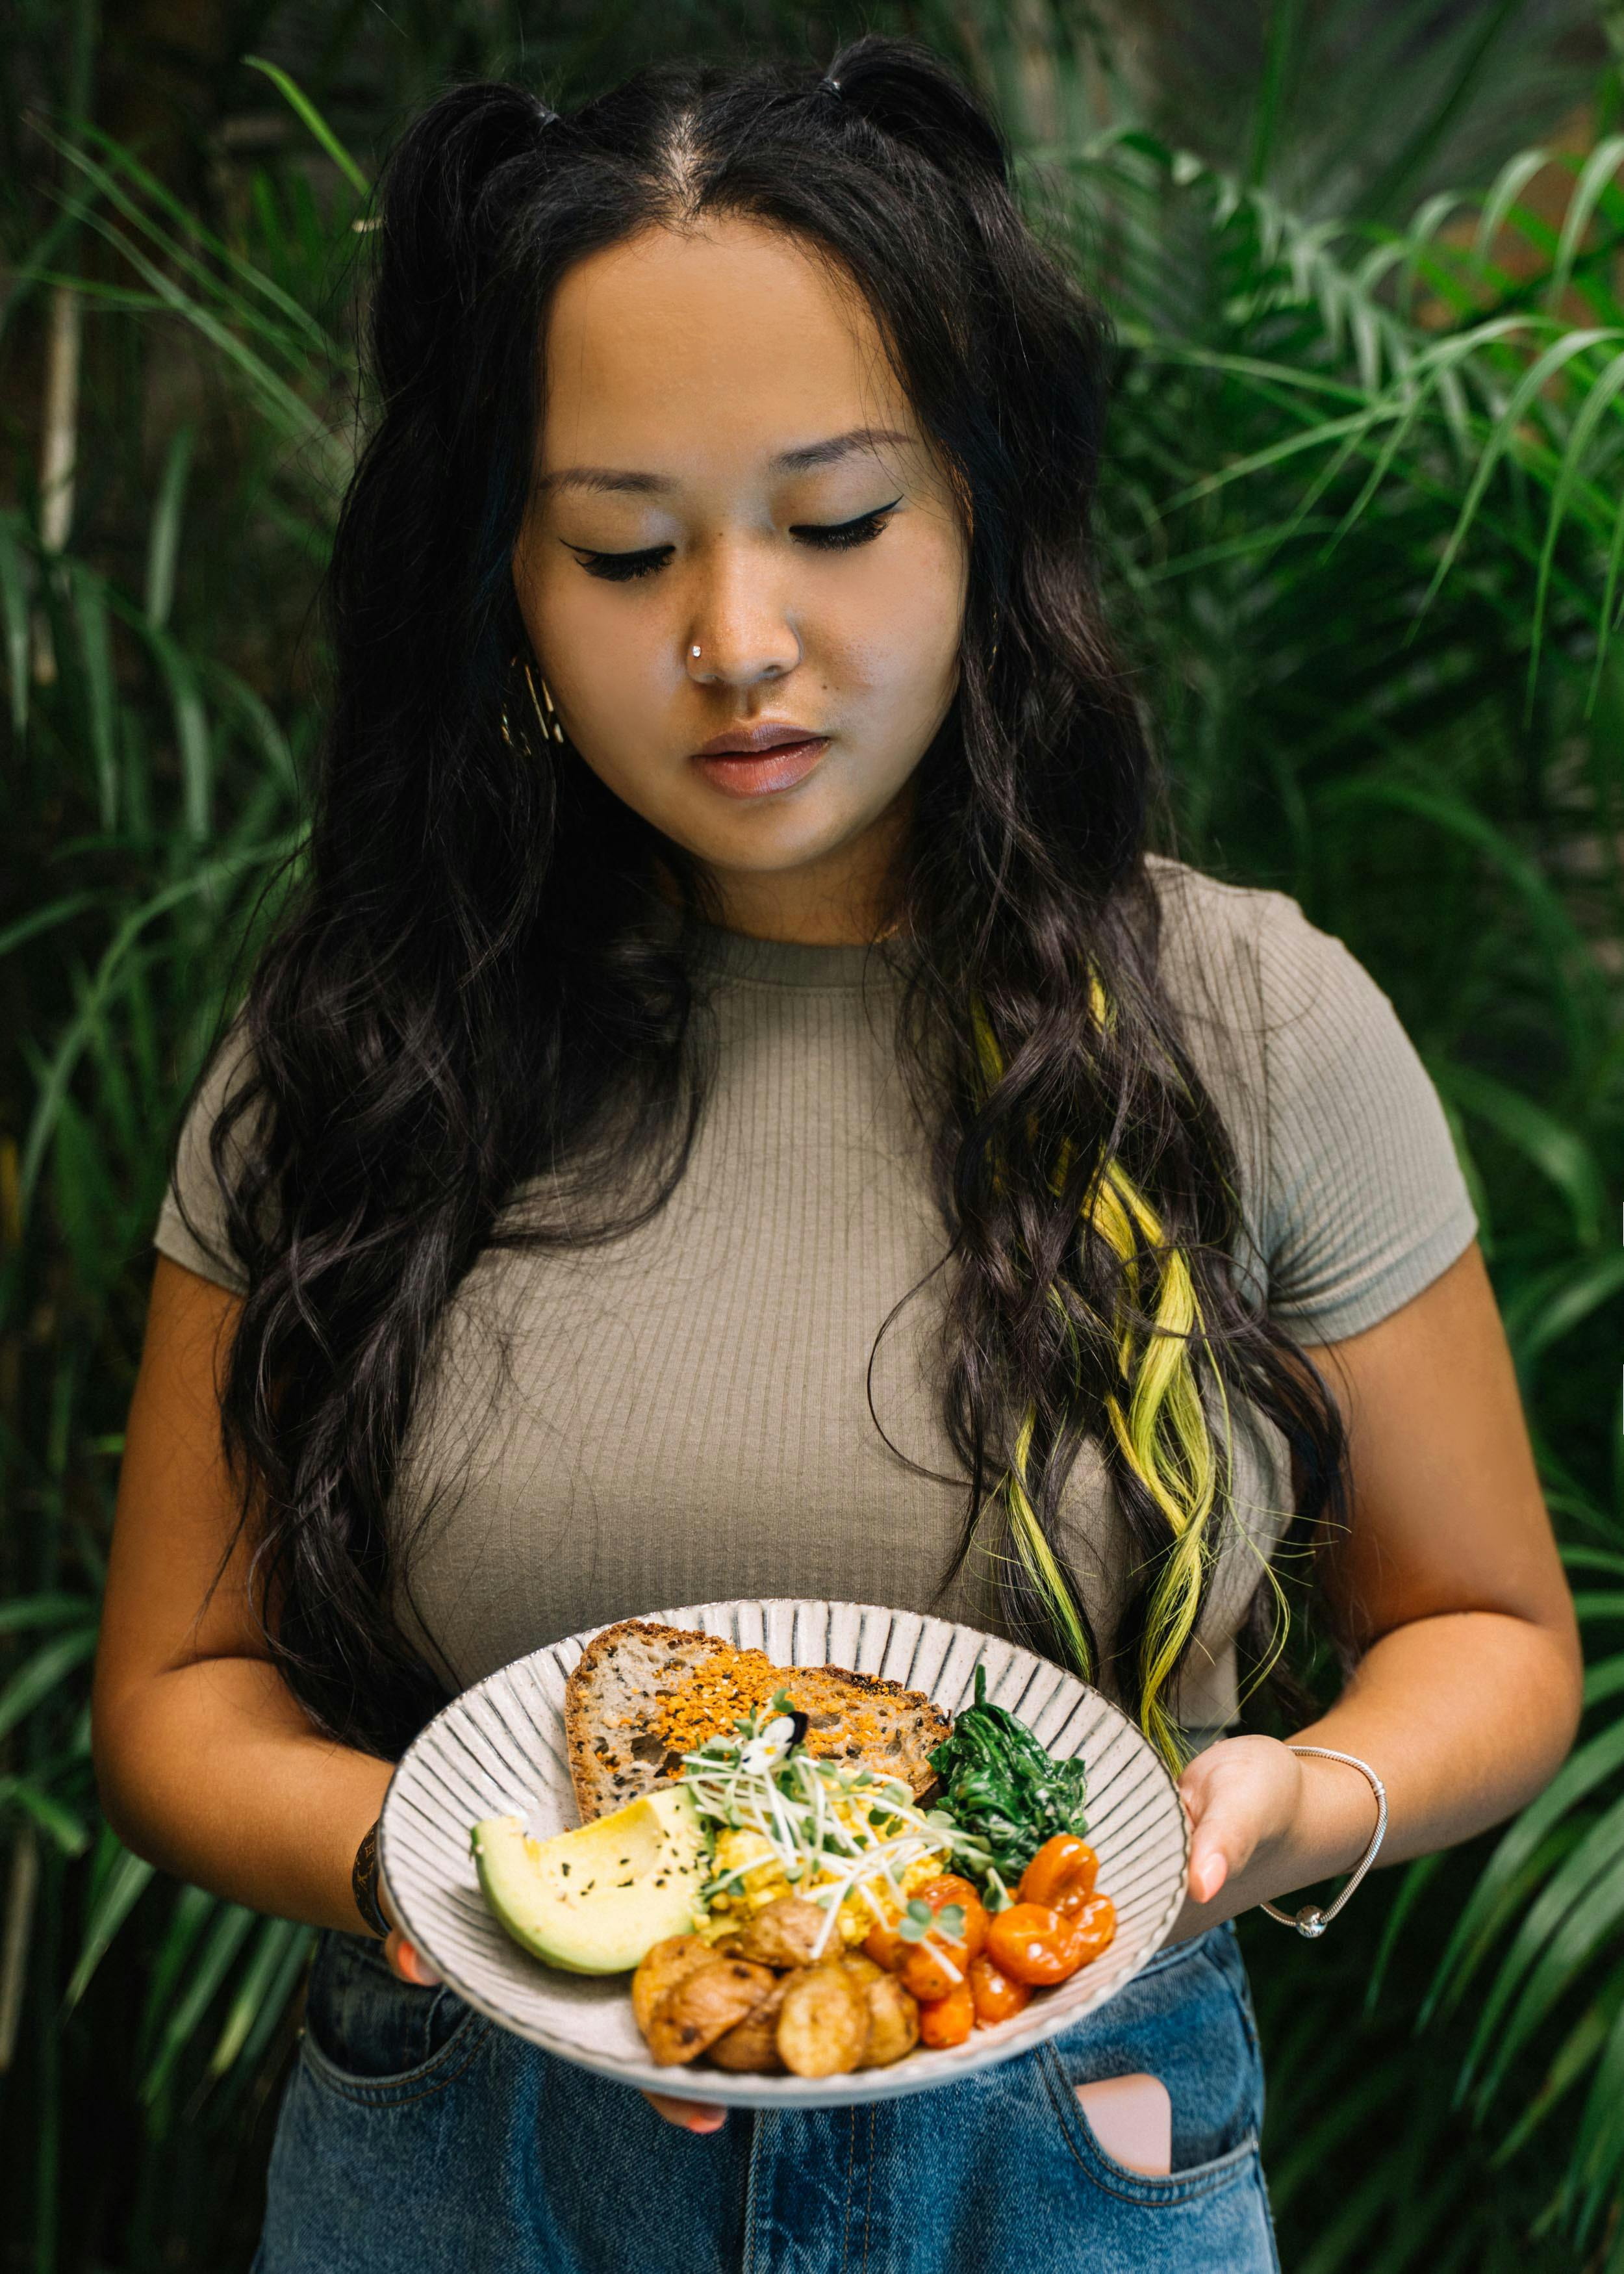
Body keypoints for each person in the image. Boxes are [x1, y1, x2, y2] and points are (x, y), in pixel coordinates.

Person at [90, 36, 1581, 2274]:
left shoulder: (1256, 1021)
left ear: (986, 511)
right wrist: (430, 1854)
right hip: (468, 2176)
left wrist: (1289, 1802)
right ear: (498, 571)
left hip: (1067, 2160)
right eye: (619, 545)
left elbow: (1486, 1630)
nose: (734, 642)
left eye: (838, 517)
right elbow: (174, 1698)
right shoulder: (352, 1052)